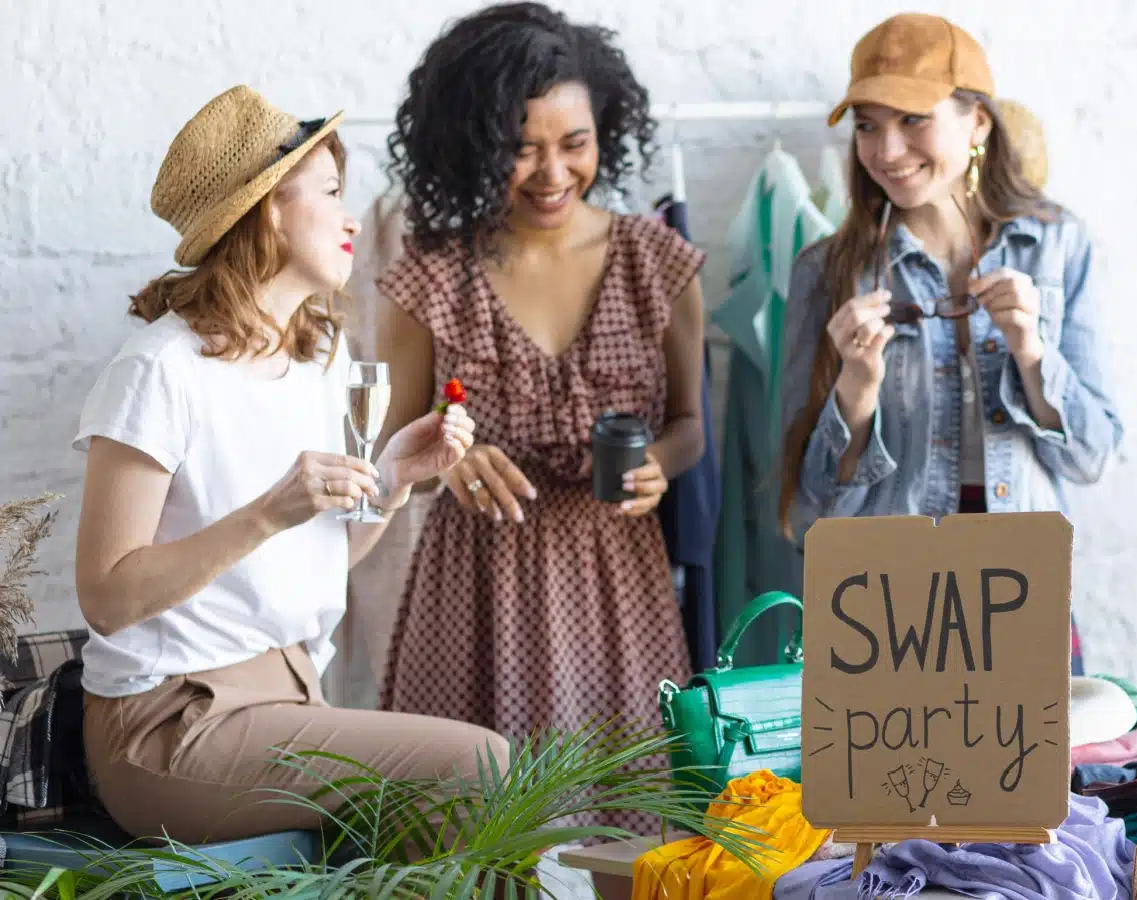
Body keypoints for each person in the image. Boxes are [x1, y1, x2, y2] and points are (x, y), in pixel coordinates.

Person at [71, 84, 509, 845]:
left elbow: (318, 562)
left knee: (440, 809)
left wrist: (393, 481)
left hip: (290, 692)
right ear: (270, 210)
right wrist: (268, 512)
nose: (351, 218)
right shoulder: (159, 370)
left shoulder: (318, 359)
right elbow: (106, 597)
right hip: (171, 721)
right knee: (480, 763)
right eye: (332, 193)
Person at [373, 3, 703, 836]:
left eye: (574, 143)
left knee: (629, 841)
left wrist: (660, 464)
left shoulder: (656, 262)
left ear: (604, 134)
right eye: (521, 148)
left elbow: (691, 423)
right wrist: (445, 459)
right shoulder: (432, 277)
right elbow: (388, 454)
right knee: (470, 843)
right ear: (474, 144)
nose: (553, 172)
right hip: (472, 591)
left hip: (617, 590)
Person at [777, 13, 1124, 677]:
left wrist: (1032, 354)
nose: (887, 150)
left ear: (978, 123)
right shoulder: (826, 272)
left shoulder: (1058, 246)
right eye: (867, 126)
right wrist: (855, 392)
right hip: (884, 605)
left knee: (1042, 753)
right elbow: (808, 512)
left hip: (1024, 588)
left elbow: (1093, 456)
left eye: (913, 119)